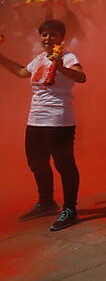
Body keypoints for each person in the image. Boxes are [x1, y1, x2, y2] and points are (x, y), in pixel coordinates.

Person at [0, 18, 85, 231]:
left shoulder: (67, 56)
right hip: (35, 119)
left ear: (61, 38)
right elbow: (21, 72)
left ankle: (70, 208)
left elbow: (81, 76)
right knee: (36, 161)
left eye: (53, 34)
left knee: (63, 163)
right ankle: (46, 202)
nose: (48, 38)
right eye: (45, 34)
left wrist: (59, 65)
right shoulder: (38, 58)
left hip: (59, 120)